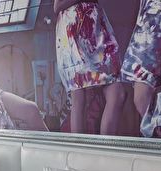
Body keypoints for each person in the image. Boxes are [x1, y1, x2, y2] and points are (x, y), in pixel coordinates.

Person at [54, 0, 126, 135]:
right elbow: (57, 6)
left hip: (97, 26)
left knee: (119, 94)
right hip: (74, 26)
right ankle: (79, 148)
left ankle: (106, 147)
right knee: (79, 100)